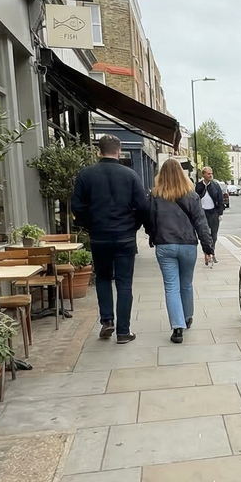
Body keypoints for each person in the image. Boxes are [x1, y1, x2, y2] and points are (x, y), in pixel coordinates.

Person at [71, 134, 150, 344]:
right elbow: (143, 207)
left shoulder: (86, 175)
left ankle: (107, 321)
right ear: (119, 151)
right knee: (124, 284)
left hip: (99, 236)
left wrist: (90, 225)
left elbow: (77, 207)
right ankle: (123, 331)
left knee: (103, 279)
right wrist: (134, 226)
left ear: (98, 151)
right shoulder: (130, 175)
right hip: (124, 236)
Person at [146, 158, 214, 343]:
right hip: (187, 245)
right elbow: (201, 223)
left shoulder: (155, 195)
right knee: (186, 284)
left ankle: (177, 328)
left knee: (171, 287)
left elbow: (149, 220)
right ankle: (187, 316)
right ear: (182, 174)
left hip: (165, 245)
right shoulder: (191, 195)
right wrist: (207, 247)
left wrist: (153, 236)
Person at [195, 166, 225, 262]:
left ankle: (212, 252)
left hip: (213, 213)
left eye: (211, 173)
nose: (210, 175)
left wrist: (220, 213)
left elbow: (220, 200)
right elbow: (195, 199)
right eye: (208, 174)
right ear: (203, 175)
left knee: (214, 235)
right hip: (202, 213)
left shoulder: (215, 185)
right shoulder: (198, 186)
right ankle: (207, 254)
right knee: (204, 235)